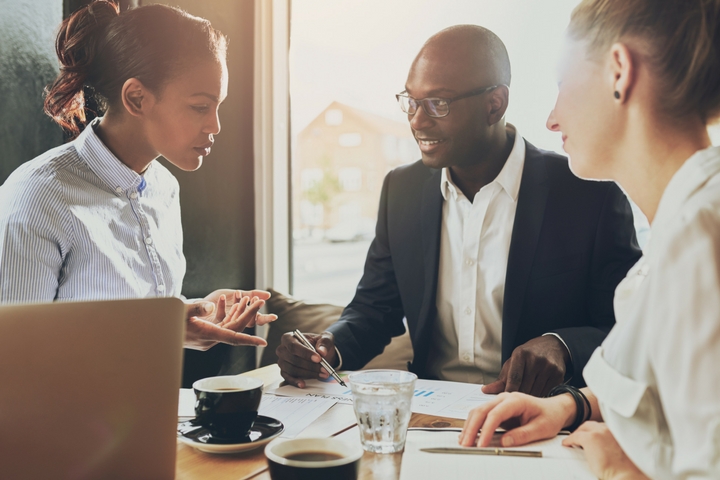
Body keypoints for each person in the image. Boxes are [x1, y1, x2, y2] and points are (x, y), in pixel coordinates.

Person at [276, 25, 641, 395]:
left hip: (540, 414)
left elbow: (630, 326)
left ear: (494, 104)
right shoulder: (400, 190)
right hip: (427, 412)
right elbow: (374, 309)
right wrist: (327, 347)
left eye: (439, 103)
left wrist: (561, 345)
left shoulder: (588, 193)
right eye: (411, 101)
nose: (417, 120)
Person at [459, 1, 720, 478]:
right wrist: (572, 407)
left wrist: (624, 471)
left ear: (619, 72)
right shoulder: (681, 228)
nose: (552, 120)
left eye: (562, 84)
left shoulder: (702, 240)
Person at [0, 1, 276, 351]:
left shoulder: (164, 189)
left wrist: (193, 319)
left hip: (153, 405)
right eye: (200, 107)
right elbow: (13, 352)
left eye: (217, 106)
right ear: (136, 98)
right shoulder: (38, 196)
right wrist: (161, 330)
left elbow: (145, 334)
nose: (215, 126)